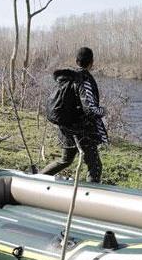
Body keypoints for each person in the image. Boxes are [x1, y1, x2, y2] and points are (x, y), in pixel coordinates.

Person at [41, 47, 108, 183]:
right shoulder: (84, 80)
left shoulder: (66, 77)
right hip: (82, 131)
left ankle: (38, 179)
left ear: (76, 61)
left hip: (65, 128)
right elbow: (90, 110)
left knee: (65, 160)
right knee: (95, 166)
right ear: (91, 62)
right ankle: (90, 197)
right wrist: (103, 111)